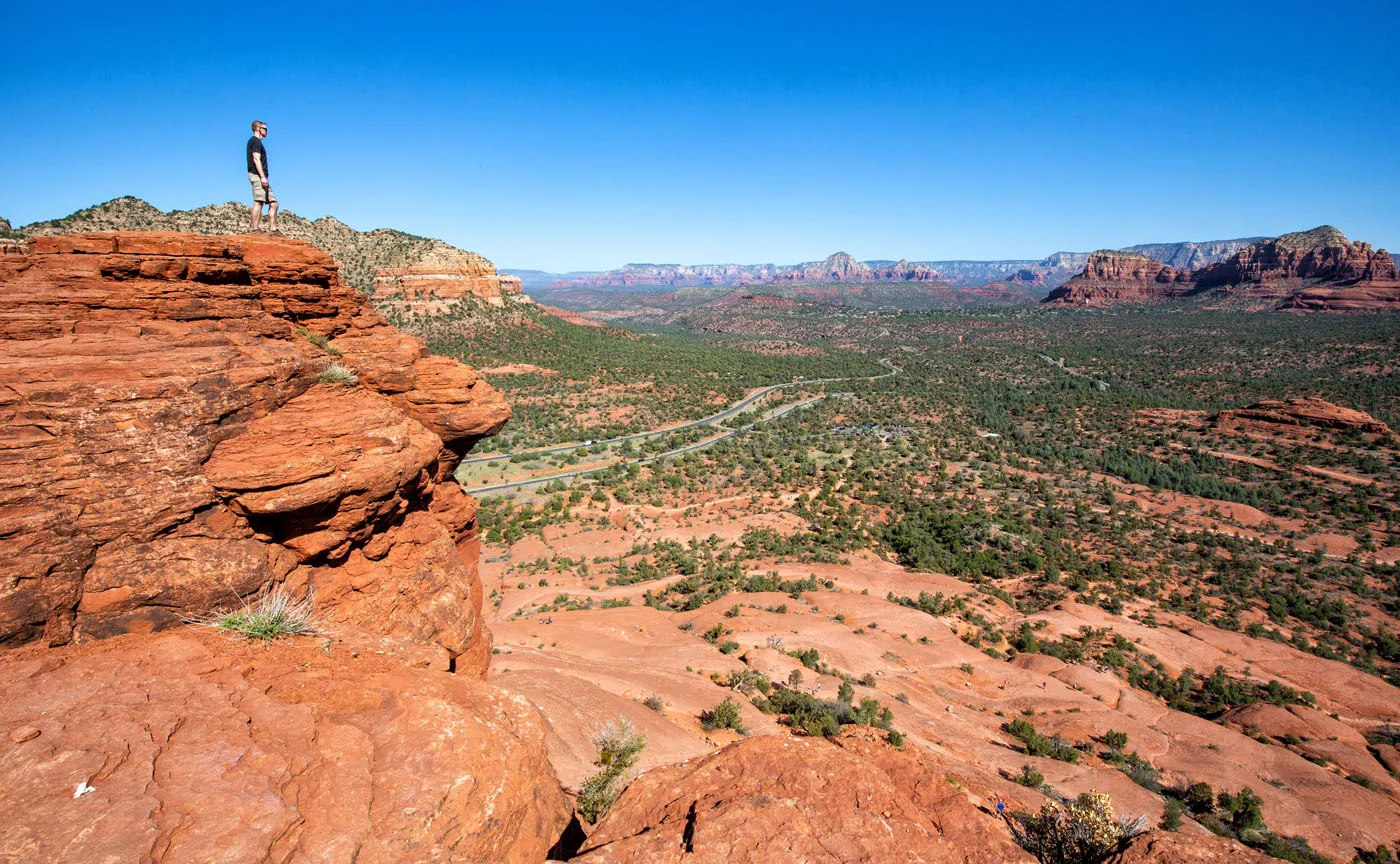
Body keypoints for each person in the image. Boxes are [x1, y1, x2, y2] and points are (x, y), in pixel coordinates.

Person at [246, 120, 280, 234]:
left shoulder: (258, 142)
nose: (267, 131)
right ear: (257, 128)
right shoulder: (255, 141)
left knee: (274, 203)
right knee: (259, 201)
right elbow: (256, 159)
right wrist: (262, 177)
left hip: (261, 176)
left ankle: (273, 229)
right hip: (257, 175)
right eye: (264, 128)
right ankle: (255, 228)